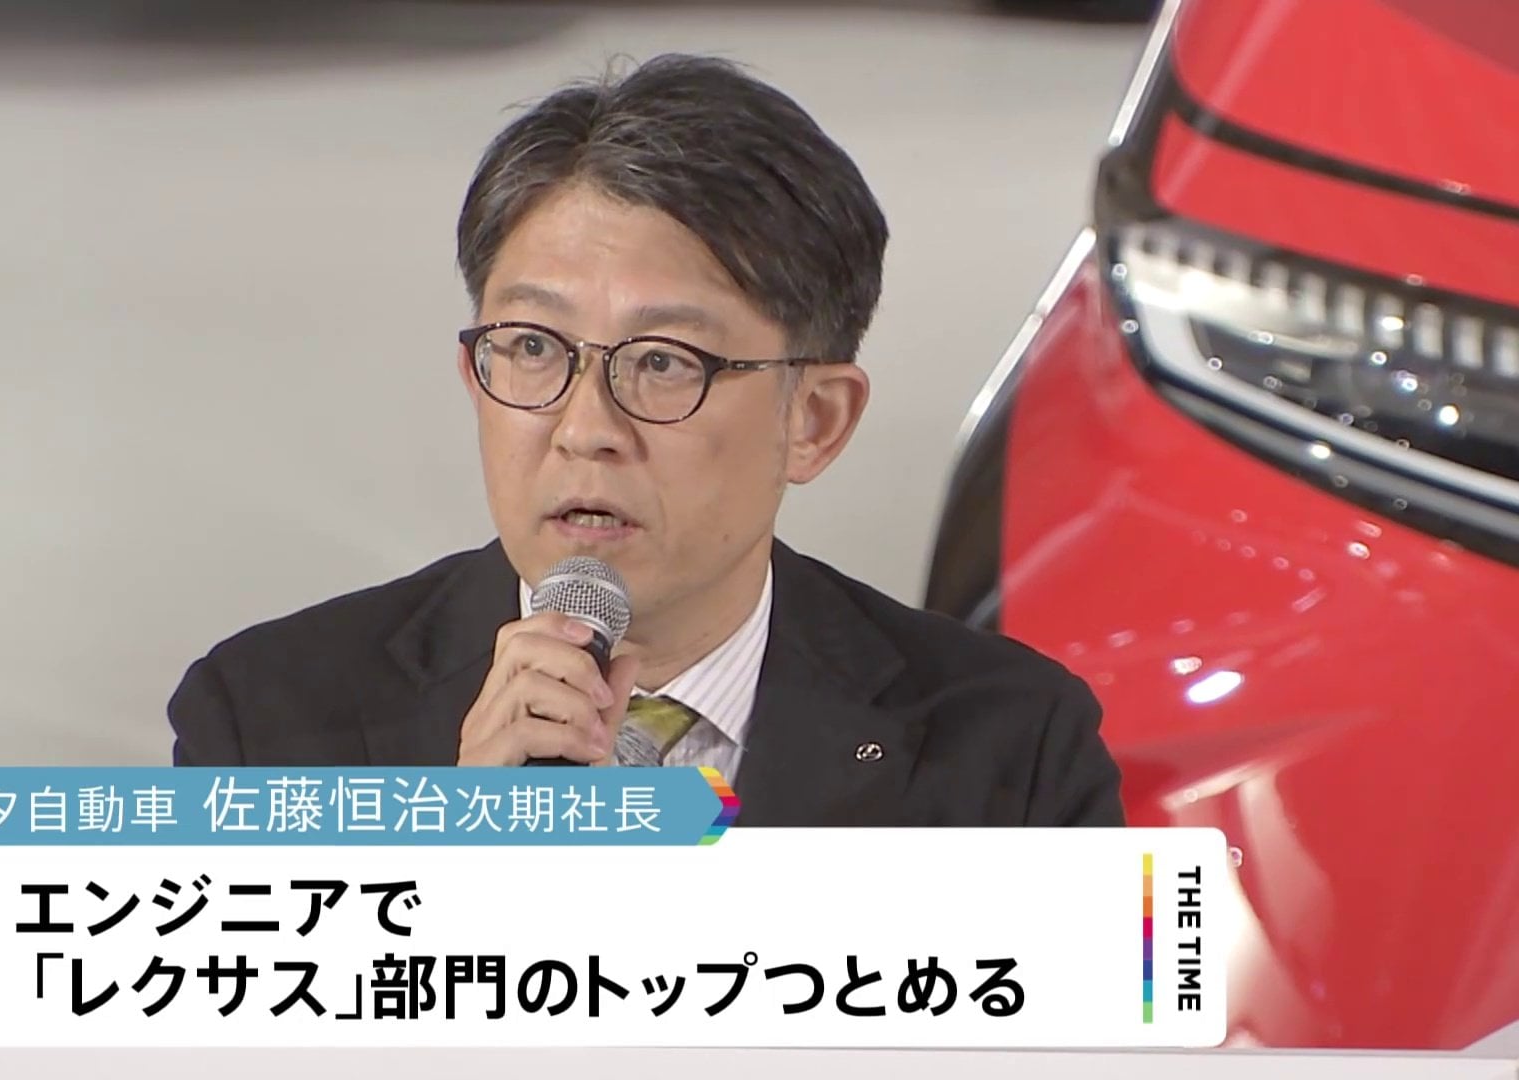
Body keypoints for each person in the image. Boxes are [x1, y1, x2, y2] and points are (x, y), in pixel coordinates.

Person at [167, 54, 1124, 827]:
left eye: (664, 362)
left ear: (814, 420)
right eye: (532, 348)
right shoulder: (266, 728)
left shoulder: (1014, 751)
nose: (585, 430)